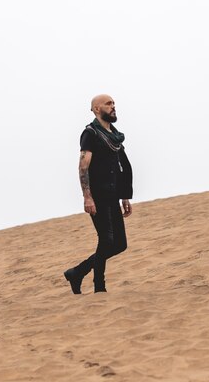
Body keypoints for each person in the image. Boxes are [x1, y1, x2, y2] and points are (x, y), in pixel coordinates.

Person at [64, 94, 133, 294]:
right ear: (96, 109)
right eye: (108, 104)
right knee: (106, 240)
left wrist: (125, 196)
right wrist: (87, 196)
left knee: (120, 244)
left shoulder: (115, 136)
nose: (113, 107)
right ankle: (99, 288)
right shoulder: (91, 134)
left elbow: (121, 167)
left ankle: (77, 272)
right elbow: (83, 167)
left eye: (114, 103)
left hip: (113, 195)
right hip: (98, 195)